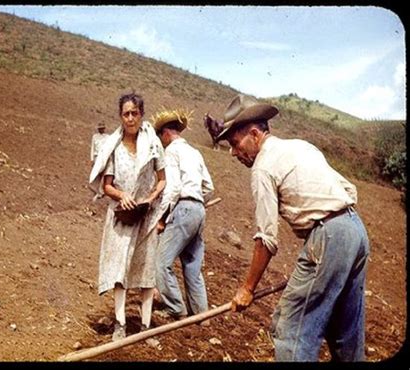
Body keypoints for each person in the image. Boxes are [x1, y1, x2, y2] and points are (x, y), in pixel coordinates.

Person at [215, 94, 370, 362]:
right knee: (346, 332)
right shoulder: (300, 146)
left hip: (329, 236)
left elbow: (267, 239)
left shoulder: (262, 168)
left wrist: (247, 289)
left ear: (254, 133)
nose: (233, 151)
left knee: (291, 330)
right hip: (355, 230)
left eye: (235, 142)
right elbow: (347, 188)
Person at [88, 93, 166, 341]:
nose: (130, 118)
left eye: (134, 113)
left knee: (145, 270)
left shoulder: (153, 144)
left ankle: (144, 328)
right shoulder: (114, 147)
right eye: (126, 113)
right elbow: (107, 185)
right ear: (120, 116)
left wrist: (151, 197)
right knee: (119, 270)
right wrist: (122, 196)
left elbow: (163, 179)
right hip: (122, 216)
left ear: (141, 114)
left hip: (146, 215)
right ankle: (120, 325)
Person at [151, 108, 214, 320]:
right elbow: (209, 187)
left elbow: (173, 188)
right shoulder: (195, 152)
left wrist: (161, 218)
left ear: (166, 133)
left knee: (162, 262)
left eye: (161, 136)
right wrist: (196, 201)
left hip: (183, 208)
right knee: (193, 265)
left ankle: (176, 309)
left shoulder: (171, 152)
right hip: (198, 210)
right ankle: (201, 314)